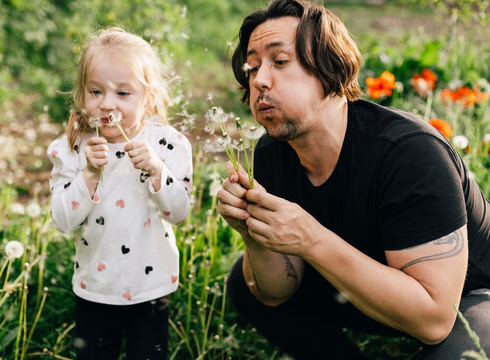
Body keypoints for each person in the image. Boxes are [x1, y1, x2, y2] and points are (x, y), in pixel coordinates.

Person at [217, 1, 490, 359]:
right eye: (253, 67)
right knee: (244, 284)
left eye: (279, 62)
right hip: (356, 287)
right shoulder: (271, 153)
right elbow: (275, 293)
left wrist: (311, 239)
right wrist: (252, 235)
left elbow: (434, 320)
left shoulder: (410, 152)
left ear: (331, 67)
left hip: (466, 299)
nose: (260, 79)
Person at [47, 27, 192, 360]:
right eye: (96, 91)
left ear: (149, 97)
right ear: (81, 94)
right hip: (95, 289)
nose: (107, 104)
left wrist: (157, 170)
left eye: (123, 93)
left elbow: (179, 214)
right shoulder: (72, 148)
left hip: (151, 287)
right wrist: (88, 173)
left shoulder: (167, 144)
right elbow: (63, 220)